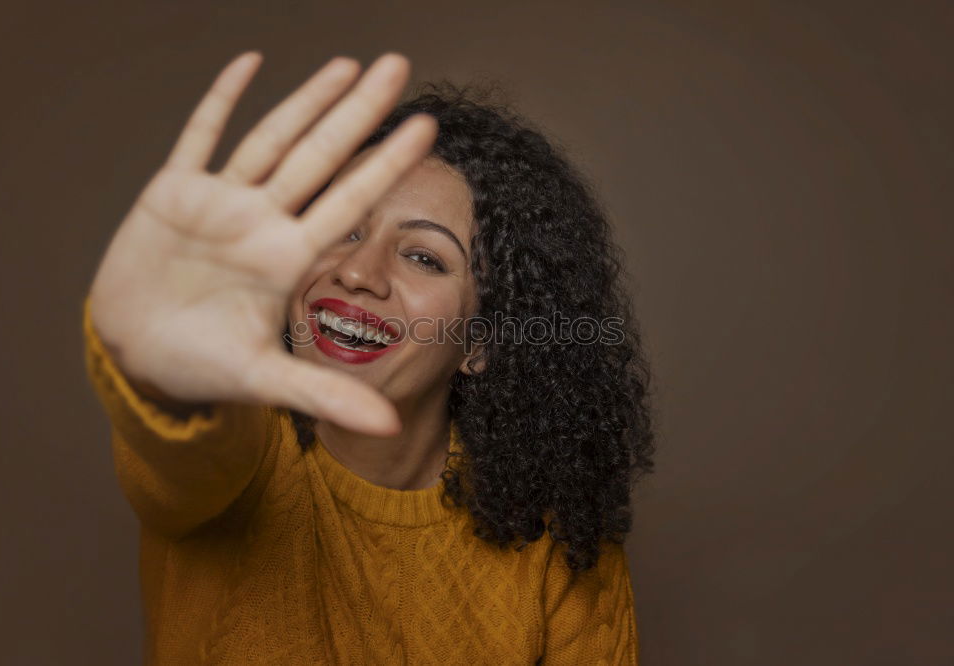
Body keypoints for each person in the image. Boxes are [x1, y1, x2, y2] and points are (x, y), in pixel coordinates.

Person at [83, 49, 655, 664]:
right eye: (346, 230)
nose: (357, 271)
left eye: (424, 257)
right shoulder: (243, 455)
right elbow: (187, 453)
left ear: (483, 341)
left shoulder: (555, 541)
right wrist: (168, 377)